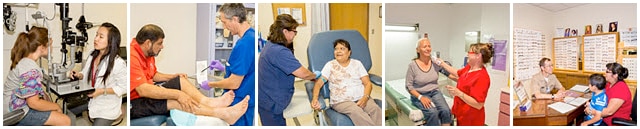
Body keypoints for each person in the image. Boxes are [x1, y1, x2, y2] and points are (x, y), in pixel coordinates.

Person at [129, 24, 248, 125]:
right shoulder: (132, 56)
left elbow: (153, 74)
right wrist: (178, 94)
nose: (162, 47)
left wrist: (173, 76)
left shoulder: (147, 52)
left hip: (145, 95)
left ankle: (209, 102)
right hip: (135, 104)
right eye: (159, 44)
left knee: (180, 80)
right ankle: (223, 114)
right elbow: (143, 90)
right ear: (148, 43)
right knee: (176, 102)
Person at [258, 14, 320, 126]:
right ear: (285, 32)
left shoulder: (271, 45)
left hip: (267, 97)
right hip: (271, 102)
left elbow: (289, 68)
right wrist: (315, 76)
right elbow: (303, 73)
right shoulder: (279, 51)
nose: (295, 35)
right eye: (294, 31)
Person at [199, 3, 255, 126]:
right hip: (246, 98)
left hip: (239, 102)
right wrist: (224, 68)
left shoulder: (244, 44)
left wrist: (211, 84)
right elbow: (247, 69)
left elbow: (234, 82)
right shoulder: (252, 36)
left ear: (235, 19)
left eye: (225, 22)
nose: (224, 27)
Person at [3, 26, 71, 126]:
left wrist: (44, 95)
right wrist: (56, 106)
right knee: (65, 120)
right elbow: (33, 103)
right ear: (42, 47)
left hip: (12, 107)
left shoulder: (25, 60)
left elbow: (27, 89)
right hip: (16, 113)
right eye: (50, 45)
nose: (52, 48)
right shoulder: (30, 68)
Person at [310, 39, 382, 126]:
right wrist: (315, 98)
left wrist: (365, 97)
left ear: (349, 52)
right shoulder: (330, 65)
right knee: (356, 111)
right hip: (341, 101)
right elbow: (318, 83)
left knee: (375, 109)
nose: (338, 51)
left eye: (342, 48)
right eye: (336, 49)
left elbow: (367, 84)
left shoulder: (357, 64)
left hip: (361, 96)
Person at [68, 23, 127, 126]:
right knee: (65, 112)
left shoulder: (118, 63)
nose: (96, 39)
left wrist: (101, 91)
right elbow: (85, 73)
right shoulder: (93, 54)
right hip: (90, 98)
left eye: (101, 37)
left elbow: (124, 87)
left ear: (110, 41)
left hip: (107, 106)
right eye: (96, 35)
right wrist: (79, 75)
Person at [438, 43, 494, 126]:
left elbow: (478, 104)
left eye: (469, 52)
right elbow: (457, 73)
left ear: (478, 56)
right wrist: (442, 64)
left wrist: (459, 93)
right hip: (460, 113)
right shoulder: (469, 68)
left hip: (471, 119)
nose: (467, 54)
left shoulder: (482, 77)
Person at [404, 38, 455, 126]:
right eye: (424, 46)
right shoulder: (412, 66)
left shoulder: (435, 63)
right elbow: (408, 86)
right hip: (419, 94)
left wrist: (464, 78)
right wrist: (420, 97)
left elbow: (449, 74)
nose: (428, 48)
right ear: (418, 50)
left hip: (435, 92)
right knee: (433, 113)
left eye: (429, 46)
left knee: (446, 111)